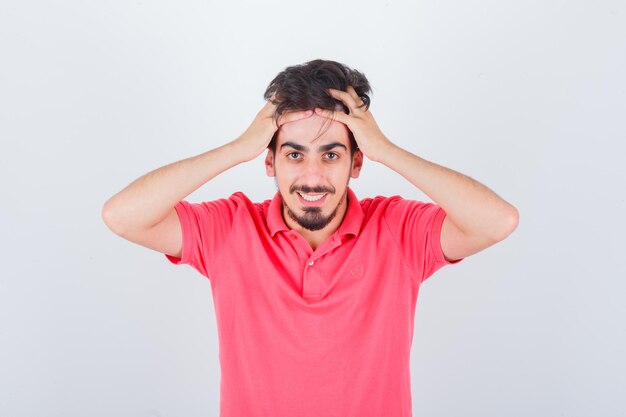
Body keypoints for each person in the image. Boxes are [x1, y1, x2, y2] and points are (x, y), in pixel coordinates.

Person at [102, 59, 519, 417]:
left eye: (332, 154)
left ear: (357, 162)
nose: (313, 177)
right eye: (294, 154)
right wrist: (237, 148)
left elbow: (497, 221)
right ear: (271, 161)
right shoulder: (230, 227)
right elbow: (122, 216)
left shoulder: (397, 228)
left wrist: (386, 150)